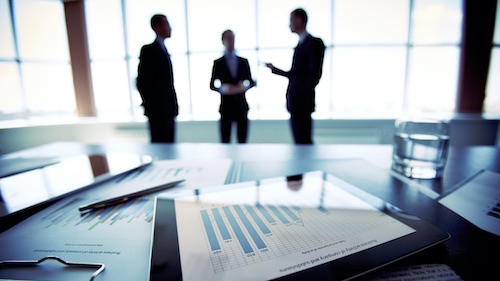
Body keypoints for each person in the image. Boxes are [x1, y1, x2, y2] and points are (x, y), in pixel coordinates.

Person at [265, 8, 325, 144]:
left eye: (291, 20)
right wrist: (275, 69)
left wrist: (300, 93)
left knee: (304, 141)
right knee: (299, 140)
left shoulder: (314, 43)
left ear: (299, 20)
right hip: (296, 101)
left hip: (302, 101)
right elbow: (296, 73)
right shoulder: (300, 45)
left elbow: (314, 75)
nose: (289, 24)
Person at [137, 14, 179, 143]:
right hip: (157, 111)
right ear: (157, 27)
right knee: (159, 146)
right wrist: (150, 105)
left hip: (168, 109)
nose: (170, 28)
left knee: (170, 146)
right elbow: (142, 82)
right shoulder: (148, 50)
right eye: (167, 24)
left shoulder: (164, 49)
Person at [210, 30, 255, 143]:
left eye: (233, 38)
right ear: (223, 41)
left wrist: (243, 87)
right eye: (228, 38)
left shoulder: (243, 61)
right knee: (225, 141)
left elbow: (251, 82)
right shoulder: (218, 63)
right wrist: (223, 89)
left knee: (243, 141)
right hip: (226, 107)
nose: (231, 41)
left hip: (241, 107)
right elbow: (212, 85)